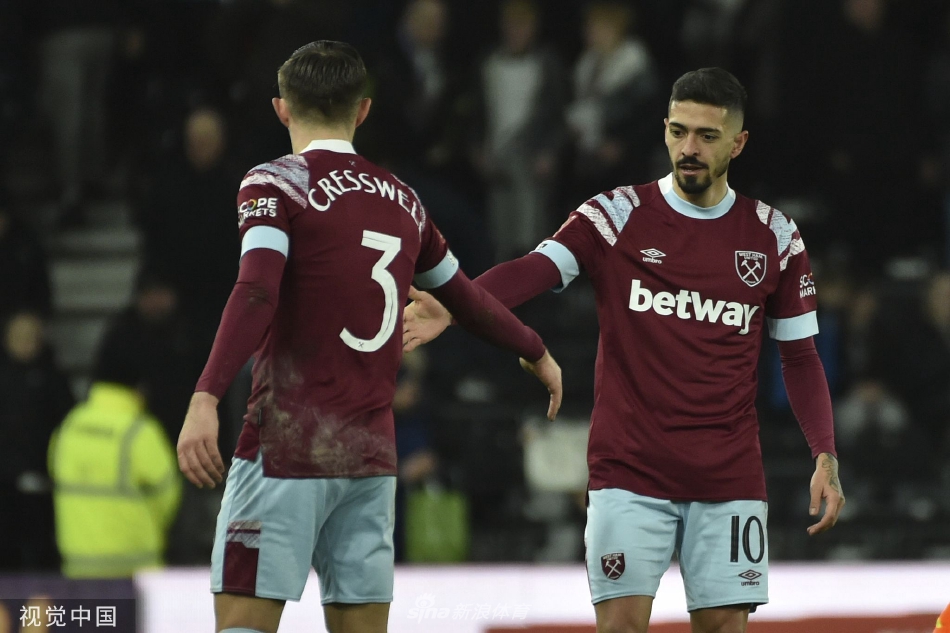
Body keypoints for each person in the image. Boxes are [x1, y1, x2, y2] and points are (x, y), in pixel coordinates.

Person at [404, 67, 845, 633]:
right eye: (678, 131)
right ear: (664, 129)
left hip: (729, 478)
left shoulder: (774, 236)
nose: (689, 148)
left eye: (707, 136)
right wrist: (456, 302)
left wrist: (825, 454)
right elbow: (535, 269)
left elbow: (800, 358)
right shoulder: (615, 215)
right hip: (629, 472)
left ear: (738, 143)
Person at [176, 40, 562, 633]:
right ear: (362, 111)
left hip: (287, 447)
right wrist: (534, 349)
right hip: (369, 458)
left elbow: (256, 290)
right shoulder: (405, 202)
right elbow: (465, 299)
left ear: (282, 108)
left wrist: (205, 395)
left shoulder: (275, 183)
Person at [48, 335, 182, 578]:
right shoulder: (140, 431)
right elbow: (168, 494)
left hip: (78, 567)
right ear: (139, 388)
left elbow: (55, 475)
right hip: (136, 567)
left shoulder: (69, 426)